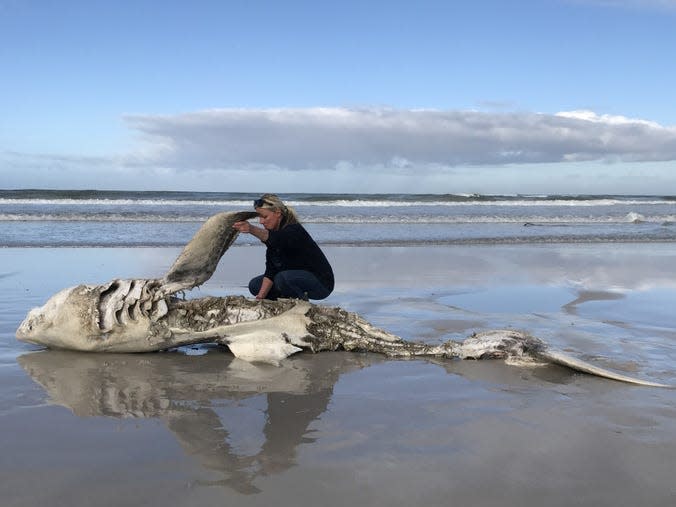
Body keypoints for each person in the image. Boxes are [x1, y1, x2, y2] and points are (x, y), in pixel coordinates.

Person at [232, 194, 334, 301]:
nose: (261, 222)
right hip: (292, 278)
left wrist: (251, 229)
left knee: (282, 278)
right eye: (259, 217)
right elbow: (271, 271)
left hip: (321, 284)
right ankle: (282, 302)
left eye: (265, 217)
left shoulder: (293, 230)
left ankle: (301, 303)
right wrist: (260, 298)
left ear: (278, 213)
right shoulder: (274, 236)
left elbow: (276, 238)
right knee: (255, 285)